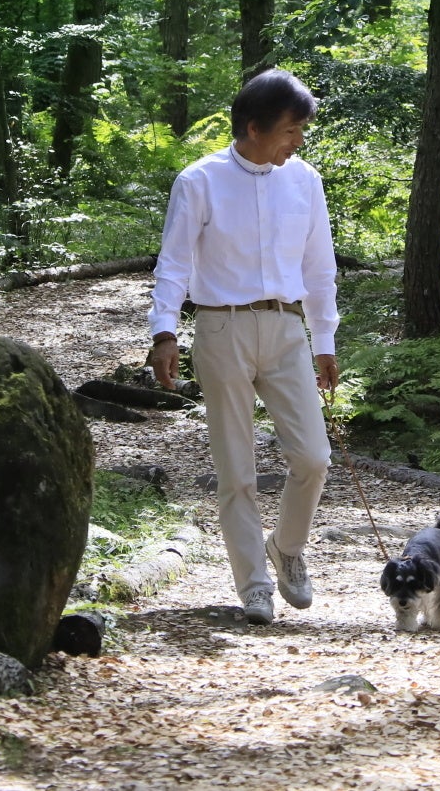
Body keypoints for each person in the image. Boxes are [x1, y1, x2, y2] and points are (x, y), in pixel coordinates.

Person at [148, 69, 340, 625]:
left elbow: (319, 266)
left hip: (285, 330)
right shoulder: (200, 180)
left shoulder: (304, 180)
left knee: (313, 458)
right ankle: (254, 584)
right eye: (290, 130)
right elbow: (175, 264)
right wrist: (164, 333)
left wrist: (323, 337)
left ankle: (287, 547)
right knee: (236, 467)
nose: (297, 141)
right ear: (254, 127)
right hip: (220, 328)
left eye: (301, 130)